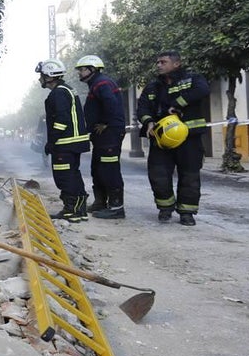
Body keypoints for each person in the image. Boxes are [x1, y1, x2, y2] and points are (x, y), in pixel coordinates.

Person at [135, 50, 210, 226]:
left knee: (190, 176)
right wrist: (149, 122)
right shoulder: (152, 87)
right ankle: (165, 208)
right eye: (158, 62)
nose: (159, 65)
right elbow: (142, 108)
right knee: (158, 175)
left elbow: (203, 90)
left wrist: (177, 104)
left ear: (176, 63)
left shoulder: (193, 79)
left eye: (163, 62)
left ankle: (187, 212)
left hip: (189, 138)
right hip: (161, 140)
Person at [36, 59, 91, 221]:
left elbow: (61, 120)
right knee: (73, 174)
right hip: (73, 142)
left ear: (49, 76)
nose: (40, 79)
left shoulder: (59, 93)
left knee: (64, 177)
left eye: (42, 75)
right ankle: (79, 210)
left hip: (65, 143)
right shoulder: (66, 89)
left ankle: (71, 210)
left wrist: (51, 142)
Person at [75, 55, 127, 219]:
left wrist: (105, 122)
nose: (79, 73)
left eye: (82, 69)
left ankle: (116, 207)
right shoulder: (96, 84)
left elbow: (110, 103)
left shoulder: (102, 83)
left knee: (109, 169)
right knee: (97, 168)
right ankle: (100, 202)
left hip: (109, 134)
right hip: (102, 135)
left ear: (93, 69)